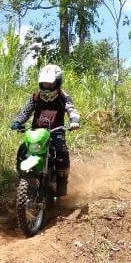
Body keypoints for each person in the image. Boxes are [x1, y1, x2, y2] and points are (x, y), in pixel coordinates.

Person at [11, 63, 81, 196]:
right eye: (44, 84)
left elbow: (71, 110)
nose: (47, 86)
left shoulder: (63, 97)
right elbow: (25, 112)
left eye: (50, 84)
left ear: (58, 82)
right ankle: (22, 175)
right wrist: (17, 122)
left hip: (56, 131)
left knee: (62, 151)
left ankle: (62, 180)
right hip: (37, 132)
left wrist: (74, 121)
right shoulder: (36, 97)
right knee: (23, 149)